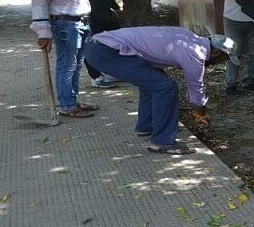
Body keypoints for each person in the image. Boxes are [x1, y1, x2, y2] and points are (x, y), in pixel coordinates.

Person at [84, 27, 240, 155]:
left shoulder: (187, 36)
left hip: (101, 44)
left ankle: (146, 126)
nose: (218, 64)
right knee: (165, 87)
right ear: (216, 53)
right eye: (222, 60)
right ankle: (162, 142)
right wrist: (201, 114)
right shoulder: (195, 54)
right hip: (108, 52)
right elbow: (196, 90)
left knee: (153, 83)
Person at [29, 0, 97, 118]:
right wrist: (44, 32)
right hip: (65, 25)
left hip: (80, 24)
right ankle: (66, 105)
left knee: (76, 65)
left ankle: (71, 100)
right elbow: (39, 4)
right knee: (67, 65)